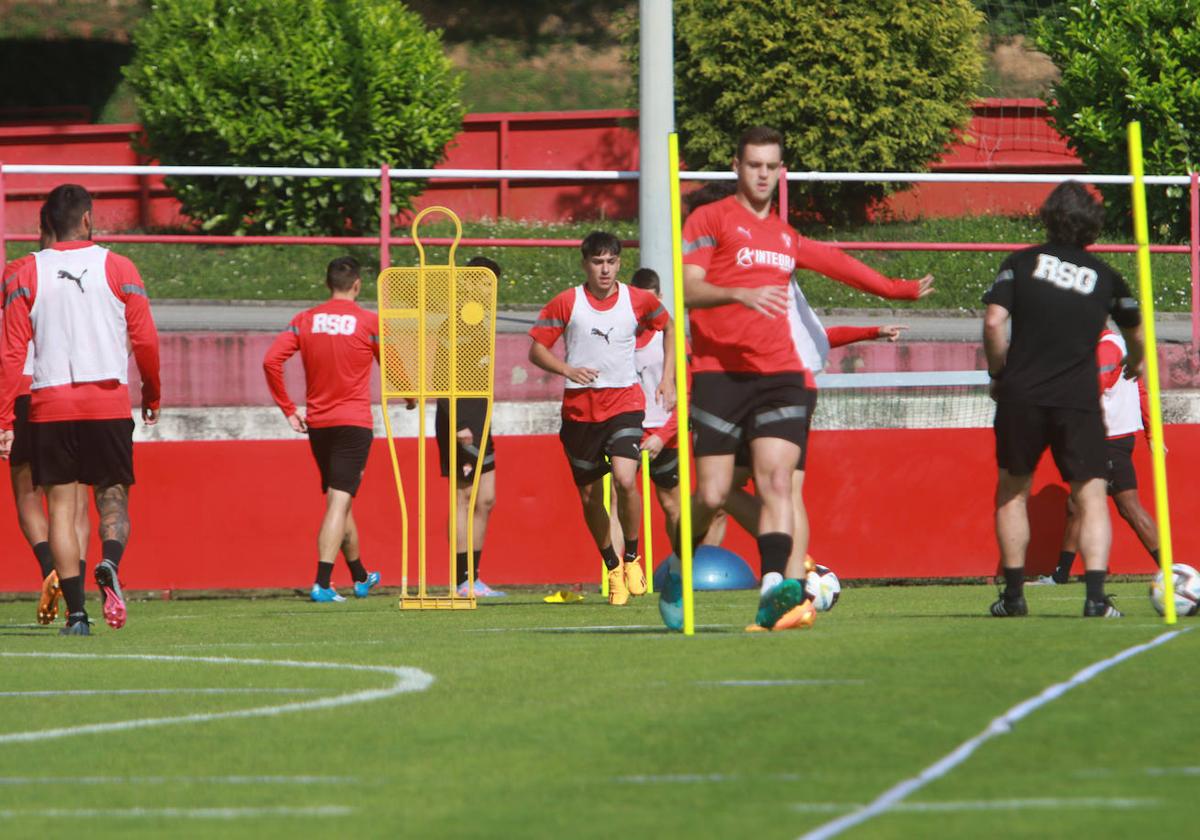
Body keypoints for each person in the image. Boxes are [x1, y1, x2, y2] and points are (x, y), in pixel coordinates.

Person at [677, 125, 932, 632]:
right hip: (718, 373)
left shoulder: (786, 237)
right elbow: (687, 288)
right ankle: (682, 557)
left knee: (778, 482)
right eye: (755, 165)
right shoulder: (710, 218)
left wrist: (897, 290)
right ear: (737, 166)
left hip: (781, 373)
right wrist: (738, 295)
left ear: (782, 172)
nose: (764, 175)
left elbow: (838, 264)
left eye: (772, 166)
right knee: (711, 495)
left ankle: (776, 589)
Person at [0, 183, 161, 636]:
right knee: (111, 497)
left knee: (61, 510)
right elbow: (146, 340)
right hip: (107, 400)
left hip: (51, 402)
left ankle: (76, 614)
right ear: (88, 219)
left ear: (45, 223)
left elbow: (12, 354)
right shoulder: (120, 266)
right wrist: (152, 394)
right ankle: (109, 561)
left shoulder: (23, 272)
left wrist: (4, 418)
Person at [983, 180, 1143, 618]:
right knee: (1091, 496)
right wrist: (1139, 361)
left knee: (1013, 492)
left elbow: (995, 322)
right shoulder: (1107, 277)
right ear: (1093, 225)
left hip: (1022, 395)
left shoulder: (1019, 263)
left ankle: (1014, 597)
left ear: (1048, 215)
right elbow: (1137, 332)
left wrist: (998, 373)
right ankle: (1094, 599)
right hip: (1077, 400)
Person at [528, 231, 674, 605]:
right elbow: (536, 350)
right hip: (580, 412)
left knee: (626, 479)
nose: (605, 269)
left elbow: (670, 326)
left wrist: (669, 378)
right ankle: (611, 566)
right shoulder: (567, 302)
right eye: (597, 262)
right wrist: (566, 369)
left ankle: (632, 558)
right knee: (591, 497)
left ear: (619, 264)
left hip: (625, 403)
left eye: (611, 261)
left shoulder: (639, 299)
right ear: (585, 264)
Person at [263, 256, 384, 603]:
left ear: (327, 283)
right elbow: (391, 365)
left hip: (319, 424)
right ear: (358, 285)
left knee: (339, 501)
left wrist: (288, 409)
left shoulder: (305, 320)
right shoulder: (368, 321)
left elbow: (270, 360)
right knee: (339, 502)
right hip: (354, 422)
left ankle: (360, 576)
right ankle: (323, 583)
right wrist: (408, 395)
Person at [2, 212, 92, 625]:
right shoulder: (91, 274)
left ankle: (48, 568)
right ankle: (76, 588)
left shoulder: (17, 272)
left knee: (26, 492)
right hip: (66, 391)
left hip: (20, 389)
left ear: (42, 231)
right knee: (73, 502)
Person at [1036, 327, 1159, 584]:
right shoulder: (1115, 344)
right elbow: (1142, 390)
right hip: (1110, 438)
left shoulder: (1106, 347)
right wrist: (1151, 434)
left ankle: (1173, 572)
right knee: (1075, 505)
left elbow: (1092, 389)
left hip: (1107, 439)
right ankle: (1060, 574)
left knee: (1129, 508)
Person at [436, 255, 504, 597]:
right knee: (464, 497)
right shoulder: (462, 317)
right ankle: (462, 579)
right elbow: (444, 374)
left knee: (486, 499)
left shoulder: (481, 319)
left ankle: (474, 578)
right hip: (461, 421)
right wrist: (460, 424)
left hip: (482, 419)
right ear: (469, 283)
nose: (489, 290)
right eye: (483, 282)